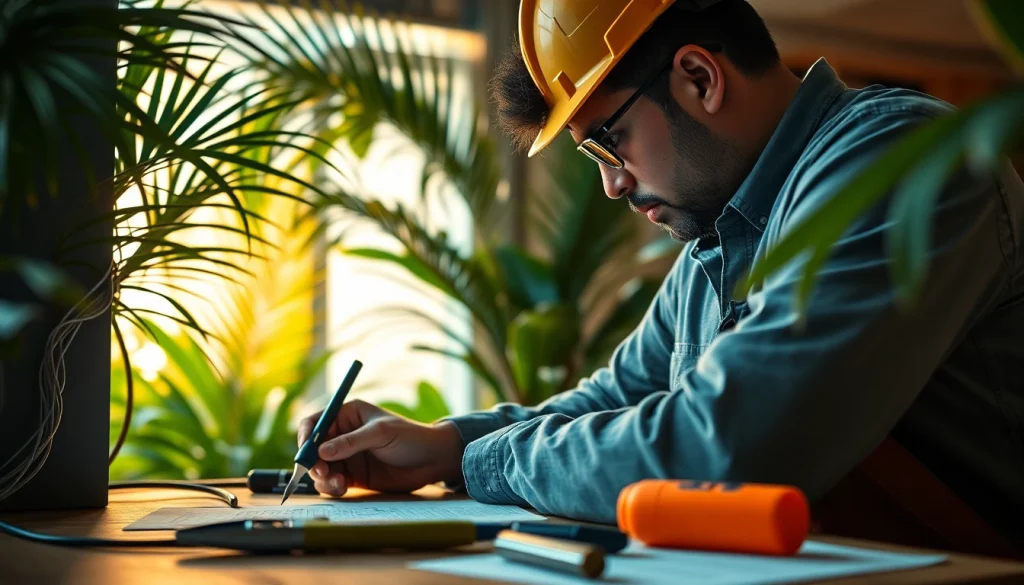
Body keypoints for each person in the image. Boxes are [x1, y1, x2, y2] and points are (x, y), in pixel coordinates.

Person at [299, 0, 1024, 550]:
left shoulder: (898, 166)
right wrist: (445, 443)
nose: (613, 185)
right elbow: (617, 397)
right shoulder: (722, 235)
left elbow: (723, 447)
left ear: (699, 77)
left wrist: (486, 459)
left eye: (609, 142)